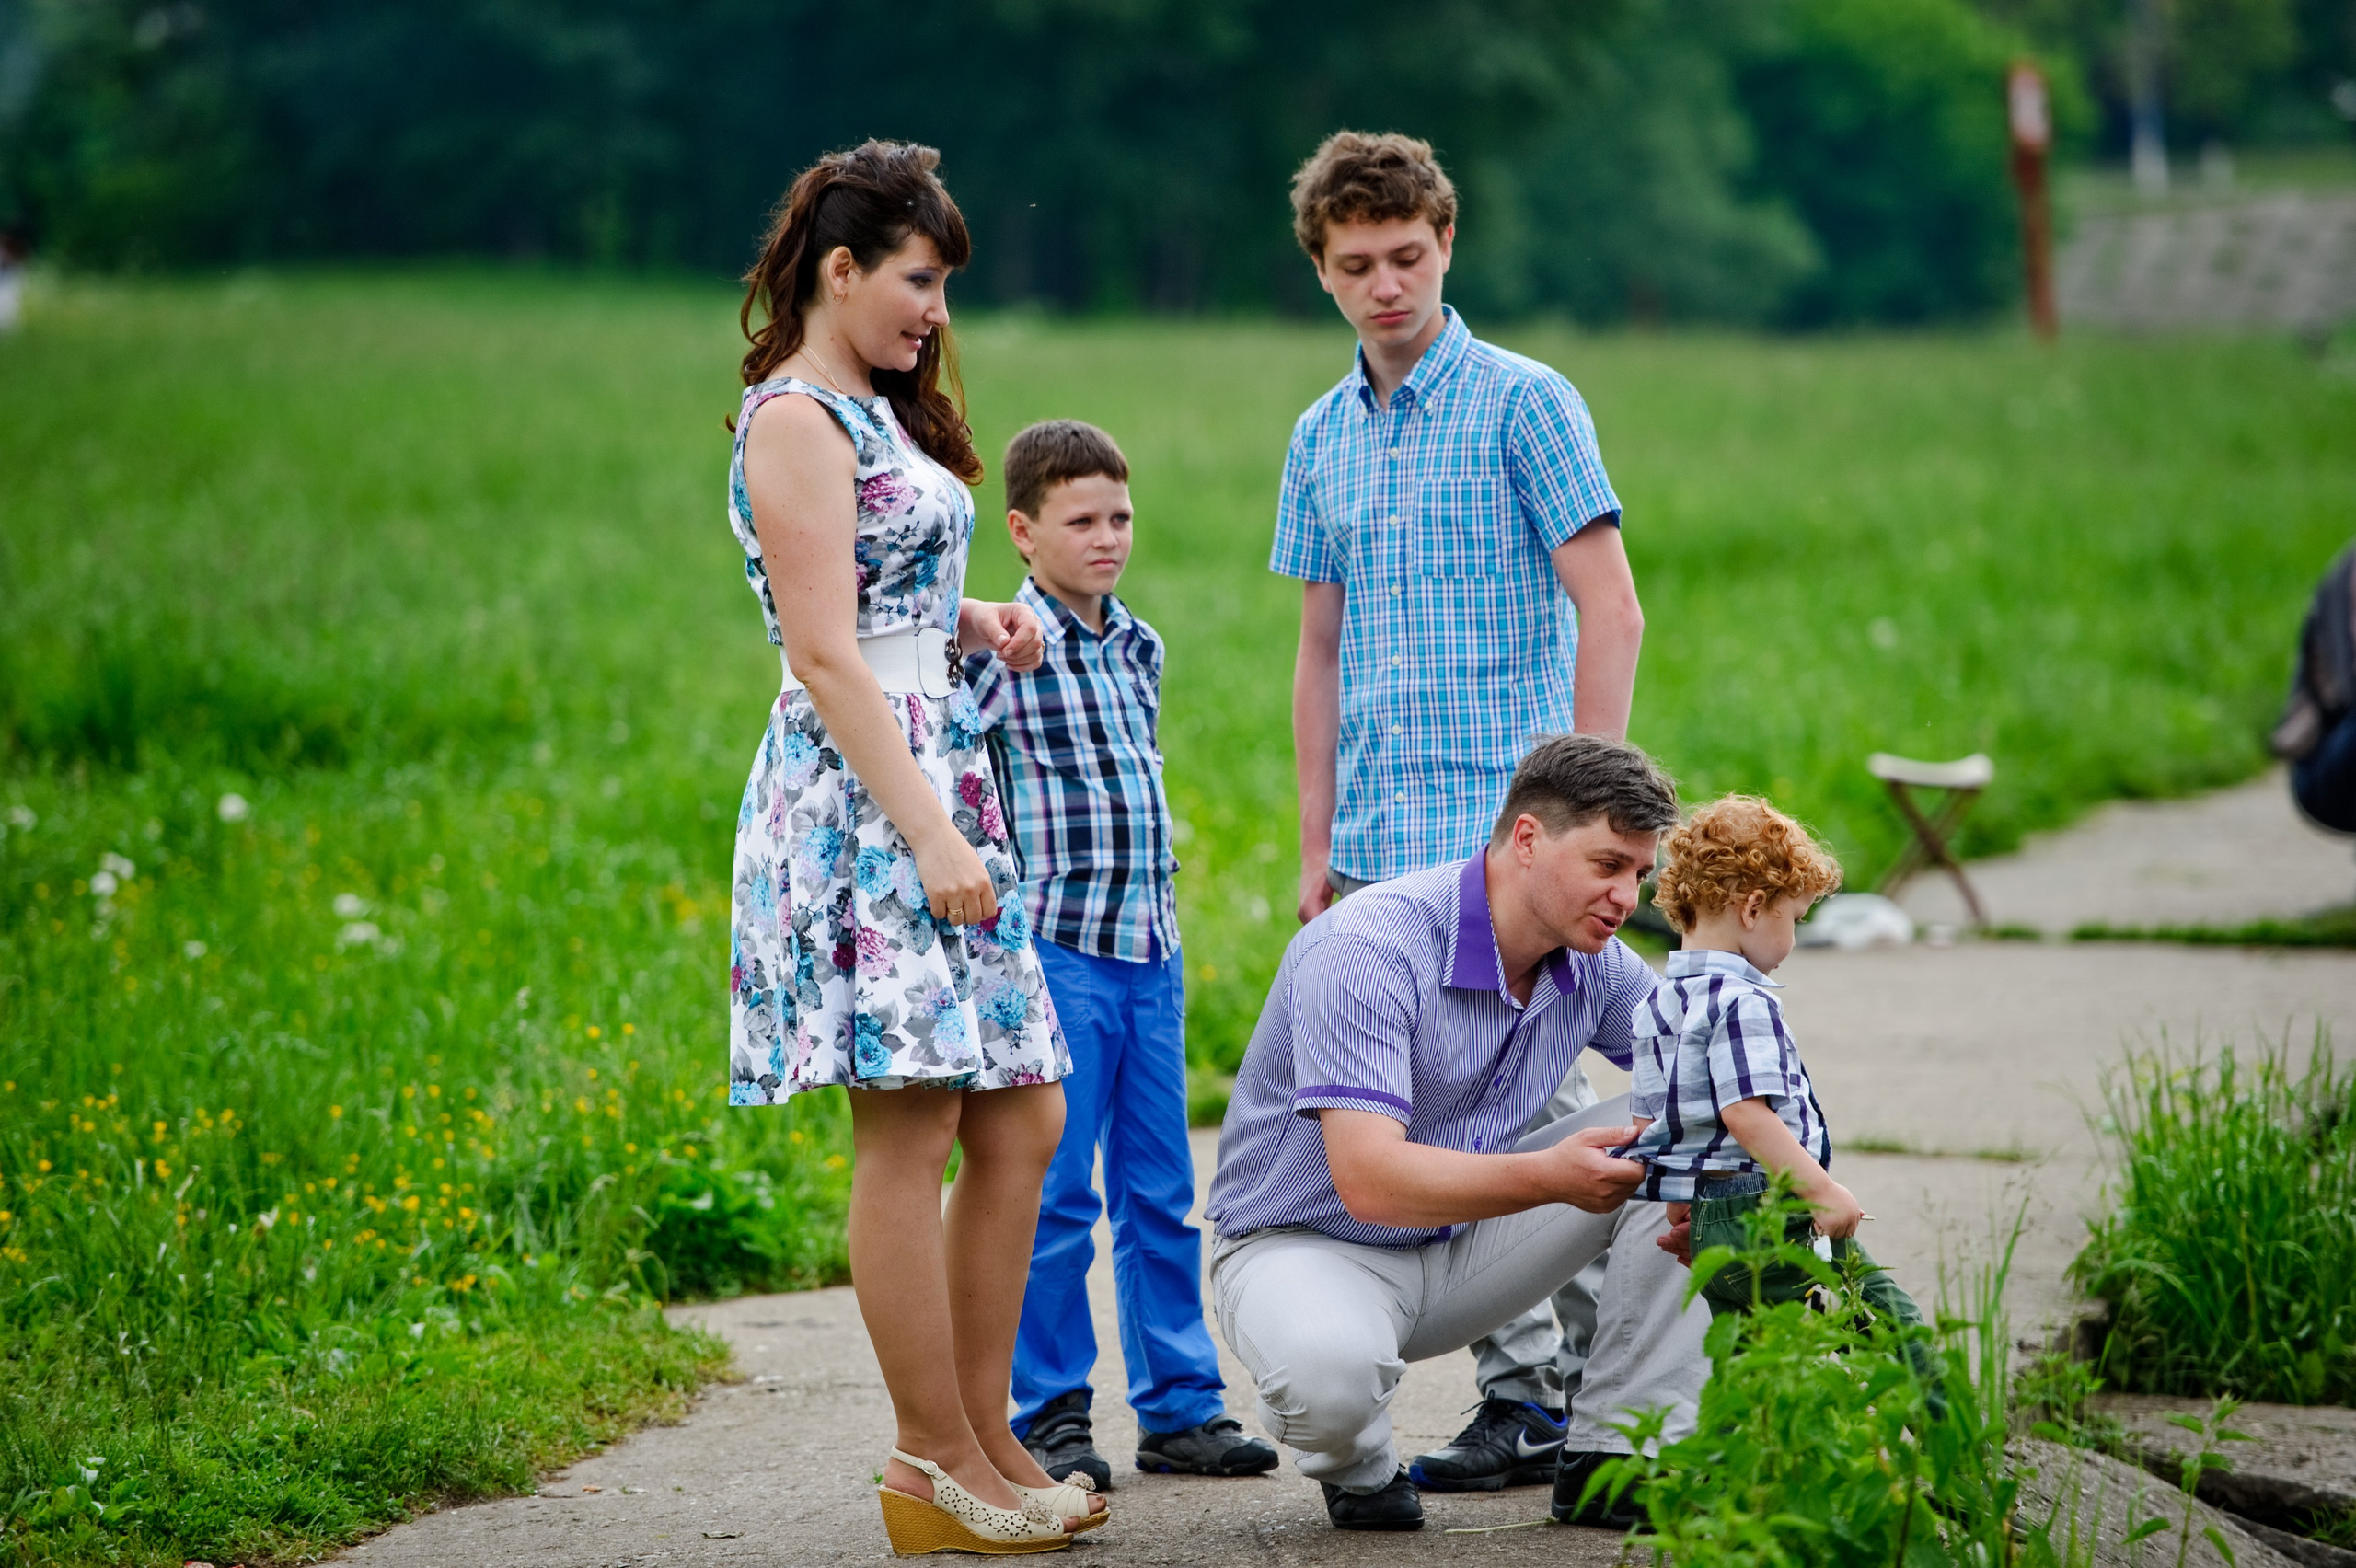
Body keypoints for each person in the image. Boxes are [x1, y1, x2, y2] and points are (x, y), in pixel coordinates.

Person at [1269, 128, 1687, 1502]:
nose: (1384, 284)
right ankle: (1514, 1399)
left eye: (1406, 255)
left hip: (1516, 836)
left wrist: (1594, 814)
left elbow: (1609, 604)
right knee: (1434, 1135)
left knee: (1542, 1115)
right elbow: (1320, 653)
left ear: (1446, 244)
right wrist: (1319, 847)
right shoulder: (1320, 436)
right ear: (1322, 272)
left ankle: (1568, 1400)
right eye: (1354, 265)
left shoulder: (1527, 402)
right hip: (1392, 846)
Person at [724, 140, 1103, 1556]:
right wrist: (932, 825)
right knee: (916, 1126)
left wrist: (973, 621)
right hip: (867, 800)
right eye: (920, 279)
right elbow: (821, 648)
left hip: (934, 763)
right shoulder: (794, 421)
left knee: (1024, 1119)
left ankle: (985, 1427)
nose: (936, 310)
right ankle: (928, 1457)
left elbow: (882, 599)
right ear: (842, 269)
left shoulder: (874, 415)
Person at [1204, 736, 1705, 1532]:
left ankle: (1617, 1455)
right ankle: (1361, 1468)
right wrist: (1552, 1176)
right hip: (1306, 1243)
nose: (1625, 896)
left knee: (1699, 1127)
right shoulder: (1368, 945)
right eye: (1608, 865)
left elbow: (1716, 1079)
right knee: (1329, 1382)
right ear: (1530, 838)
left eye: (1639, 875)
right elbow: (1368, 1180)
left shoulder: (1596, 961)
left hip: (1464, 1246)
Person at [962, 421, 1278, 1490]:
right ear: (1022, 529)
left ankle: (1181, 1408)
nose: (1107, 539)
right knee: (1054, 1191)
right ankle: (1047, 1411)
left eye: (1121, 518)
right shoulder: (1003, 651)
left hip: (1152, 946)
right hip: (1059, 950)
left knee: (1159, 1187)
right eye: (1081, 521)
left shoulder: (1139, 646)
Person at [1625, 797, 1930, 1345]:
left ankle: (1758, 1433)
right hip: (1768, 1214)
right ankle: (1952, 1431)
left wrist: (1683, 1216)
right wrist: (1822, 1191)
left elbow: (1657, 1126)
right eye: (1793, 919)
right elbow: (1744, 1112)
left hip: (1710, 1228)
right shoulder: (1743, 1001)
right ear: (1753, 907)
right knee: (1892, 1330)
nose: (1792, 938)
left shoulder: (1657, 1003)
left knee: (1752, 1363)